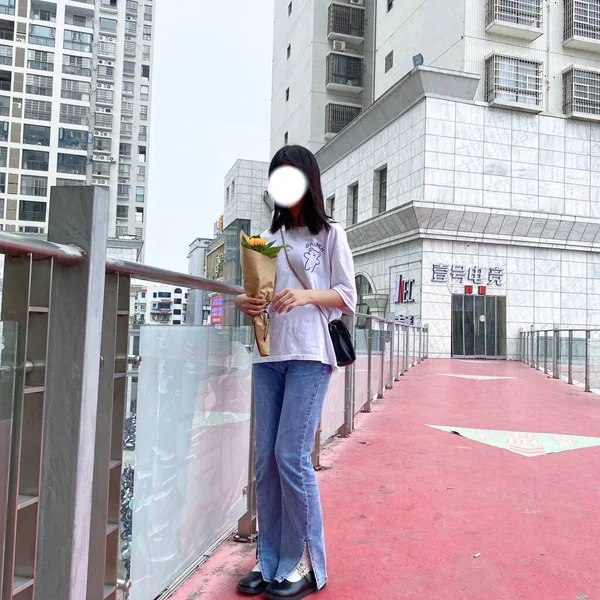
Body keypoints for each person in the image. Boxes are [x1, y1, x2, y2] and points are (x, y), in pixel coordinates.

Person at [235, 145, 357, 600]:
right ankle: (270, 562)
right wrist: (243, 302)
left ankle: (308, 565)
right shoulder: (265, 236)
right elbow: (257, 293)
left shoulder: (329, 235)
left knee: (290, 457)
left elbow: (347, 295)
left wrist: (306, 297)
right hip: (268, 355)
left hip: (310, 353)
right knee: (265, 462)